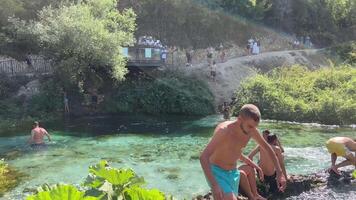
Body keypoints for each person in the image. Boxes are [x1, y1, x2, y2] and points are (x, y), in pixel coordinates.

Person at [200, 104, 286, 200]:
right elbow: (204, 157)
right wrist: (214, 185)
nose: (252, 130)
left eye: (255, 126)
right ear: (240, 119)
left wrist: (279, 172)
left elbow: (267, 148)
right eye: (250, 126)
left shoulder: (252, 130)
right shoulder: (224, 131)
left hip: (233, 173)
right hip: (217, 172)